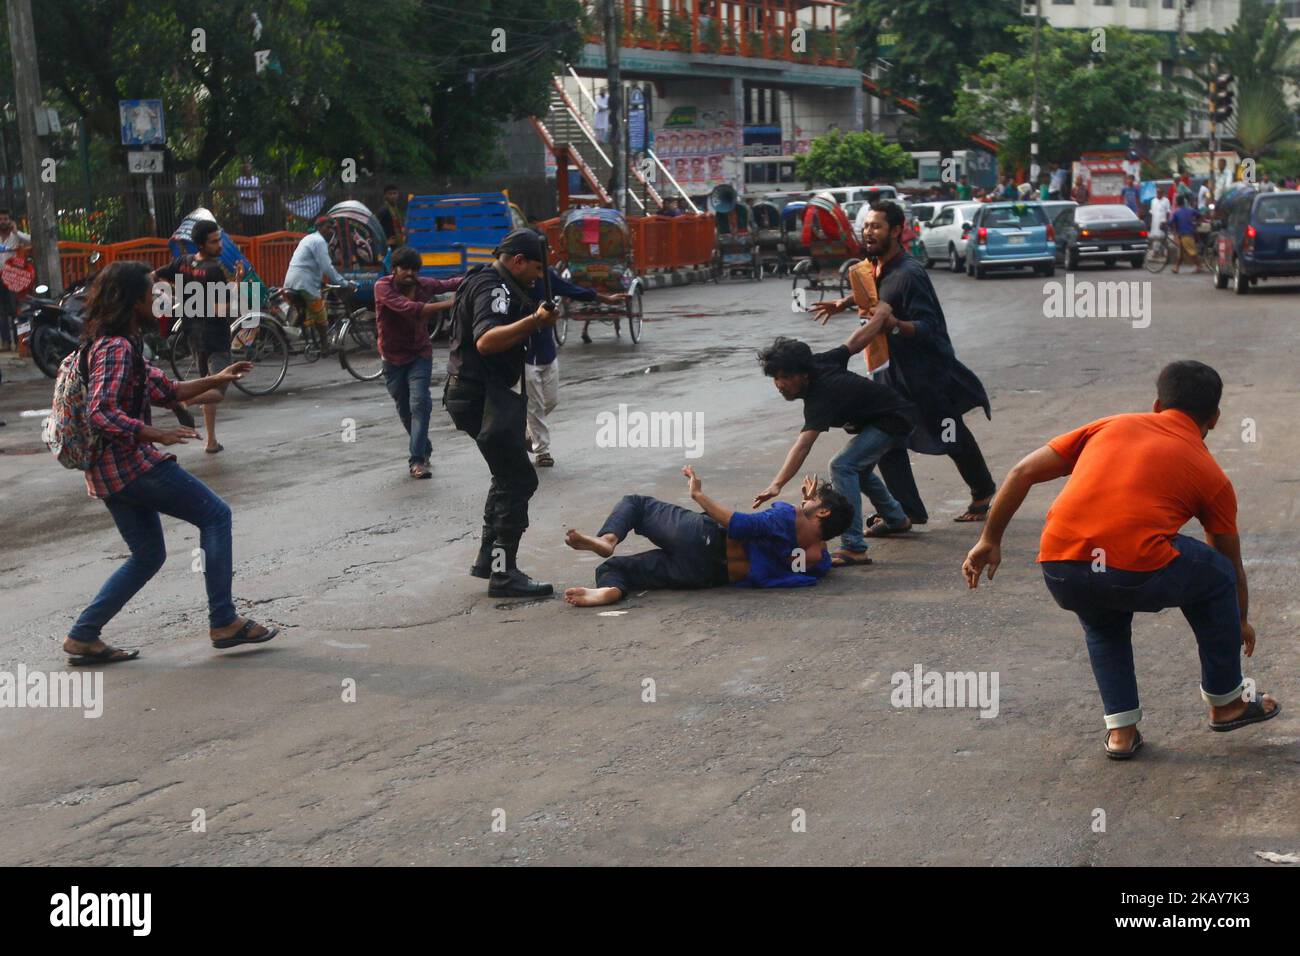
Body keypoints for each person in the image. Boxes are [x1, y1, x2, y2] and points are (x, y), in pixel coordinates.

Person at [962, 361, 1280, 758]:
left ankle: (1121, 732)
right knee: (1214, 574)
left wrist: (990, 538)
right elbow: (1228, 566)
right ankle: (1227, 702)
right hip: (1132, 570)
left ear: (1156, 403)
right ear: (1214, 419)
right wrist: (1240, 619)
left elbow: (1023, 471)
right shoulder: (1211, 474)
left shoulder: (1108, 425)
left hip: (1062, 565)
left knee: (1103, 623)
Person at [63, 261, 277, 666]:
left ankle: (83, 635)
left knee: (147, 555)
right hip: (129, 465)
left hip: (108, 472)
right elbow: (101, 413)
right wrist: (155, 435)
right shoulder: (117, 348)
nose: (160, 298)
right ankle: (224, 621)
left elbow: (168, 389)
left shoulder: (120, 344)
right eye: (153, 293)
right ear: (134, 301)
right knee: (215, 515)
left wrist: (218, 379)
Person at [812, 200, 996, 525]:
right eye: (867, 226)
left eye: (877, 226)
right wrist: (843, 302)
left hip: (925, 374)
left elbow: (929, 326)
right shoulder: (876, 264)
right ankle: (906, 510)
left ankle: (982, 493)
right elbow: (876, 291)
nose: (869, 231)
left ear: (896, 231)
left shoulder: (910, 274)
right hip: (890, 371)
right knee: (886, 434)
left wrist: (895, 324)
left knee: (950, 433)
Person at [443, 229, 557, 598]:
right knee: (519, 480)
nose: (538, 277)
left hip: (474, 393)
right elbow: (487, 340)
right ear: (518, 260)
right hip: (480, 395)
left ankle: (489, 563)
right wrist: (534, 322)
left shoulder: (491, 281)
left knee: (506, 476)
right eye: (535, 268)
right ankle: (503, 574)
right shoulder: (493, 286)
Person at [563, 466, 852, 607]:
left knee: (636, 504)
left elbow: (739, 525)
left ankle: (608, 540)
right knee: (614, 570)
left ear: (823, 512)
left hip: (700, 537)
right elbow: (806, 548)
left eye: (815, 501)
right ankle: (609, 591)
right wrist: (812, 504)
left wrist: (699, 495)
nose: (807, 502)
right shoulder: (817, 558)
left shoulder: (787, 517)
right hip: (705, 575)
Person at [151, 219, 245, 454]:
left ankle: (211, 441)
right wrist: (238, 287)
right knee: (219, 388)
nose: (220, 245)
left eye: (219, 240)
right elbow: (225, 309)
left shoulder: (183, 262)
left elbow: (153, 275)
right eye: (214, 242)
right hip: (215, 336)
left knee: (206, 382)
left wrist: (169, 295)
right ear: (202, 244)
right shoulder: (213, 270)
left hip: (193, 333)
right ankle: (185, 401)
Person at [373, 246, 462, 479]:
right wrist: (447, 304)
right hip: (392, 358)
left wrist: (482, 275)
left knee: (420, 404)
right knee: (405, 409)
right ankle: (424, 447)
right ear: (395, 269)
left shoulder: (425, 285)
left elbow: (450, 283)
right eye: (405, 268)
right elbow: (410, 309)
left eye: (414, 269)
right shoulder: (383, 287)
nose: (410, 273)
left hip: (419, 355)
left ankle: (417, 460)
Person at [523, 267, 626, 468]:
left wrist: (605, 299)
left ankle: (527, 433)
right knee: (535, 406)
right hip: (525, 354)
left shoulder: (548, 276)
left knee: (551, 400)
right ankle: (542, 451)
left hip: (547, 352)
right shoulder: (511, 283)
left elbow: (573, 290)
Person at [283, 216, 350, 353]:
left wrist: (320, 281)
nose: (330, 230)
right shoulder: (319, 241)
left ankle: (284, 341)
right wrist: (343, 283)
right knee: (321, 314)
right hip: (303, 283)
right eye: (327, 227)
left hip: (293, 281)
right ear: (319, 227)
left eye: (332, 228)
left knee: (302, 313)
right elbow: (326, 267)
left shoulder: (309, 238)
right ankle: (325, 346)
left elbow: (310, 265)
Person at [0, 208, 31, 351]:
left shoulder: (15, 235)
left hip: (13, 277)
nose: (3, 222)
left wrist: (16, 232)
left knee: (15, 309)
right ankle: (6, 342)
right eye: (0, 220)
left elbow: (31, 240)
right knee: (1, 312)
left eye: (5, 219)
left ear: (10, 221)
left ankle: (20, 343)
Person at [1170, 195, 1201, 274]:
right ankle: (1176, 267)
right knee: (1181, 253)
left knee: (1191, 252)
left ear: (1177, 203)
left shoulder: (1176, 212)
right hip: (1187, 233)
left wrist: (1166, 225)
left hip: (1185, 234)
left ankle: (1199, 266)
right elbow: (1199, 215)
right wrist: (1197, 223)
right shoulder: (1190, 210)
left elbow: (1170, 222)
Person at [234, 162, 264, 236]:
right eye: (246, 168)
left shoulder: (256, 179)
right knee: (248, 232)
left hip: (258, 210)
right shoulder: (239, 181)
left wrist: (256, 196)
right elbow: (240, 196)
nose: (248, 170)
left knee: (259, 232)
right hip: (246, 211)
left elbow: (259, 192)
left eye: (249, 168)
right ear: (243, 170)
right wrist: (251, 199)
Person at [376, 184, 405, 252]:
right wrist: (386, 241)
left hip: (397, 243)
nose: (393, 196)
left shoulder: (395, 208)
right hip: (388, 246)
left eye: (394, 193)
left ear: (398, 194)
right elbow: (376, 227)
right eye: (390, 194)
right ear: (385, 196)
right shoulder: (383, 210)